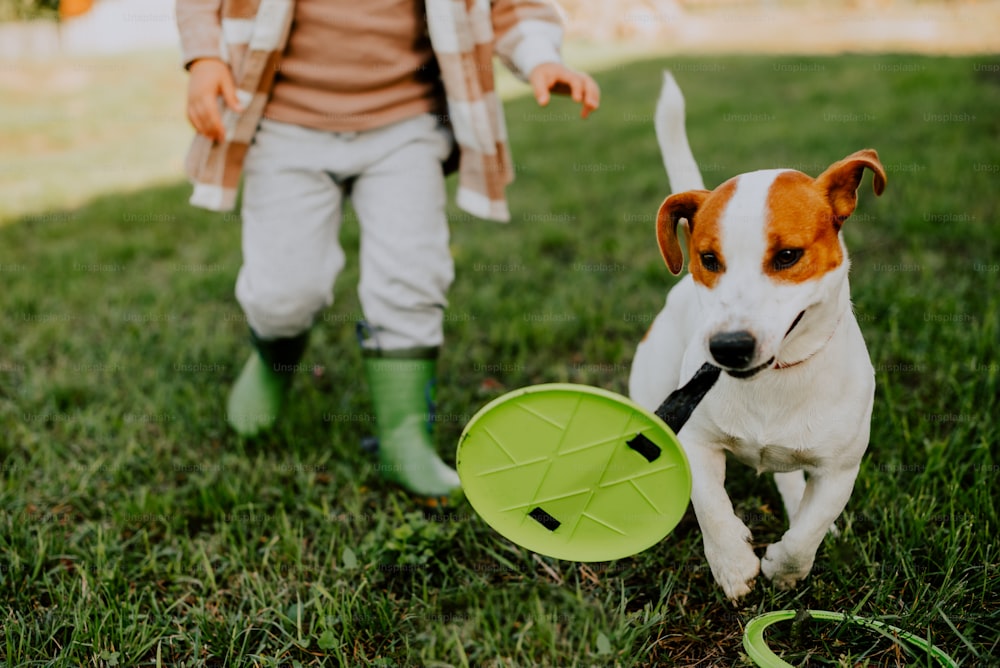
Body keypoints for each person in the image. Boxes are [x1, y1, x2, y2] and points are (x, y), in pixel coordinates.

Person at [176, 0, 600, 502]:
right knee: (283, 291)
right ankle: (274, 359)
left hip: (405, 126)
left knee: (412, 277)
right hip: (284, 126)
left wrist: (538, 56)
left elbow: (510, 6)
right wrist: (206, 59)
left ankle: (404, 438)